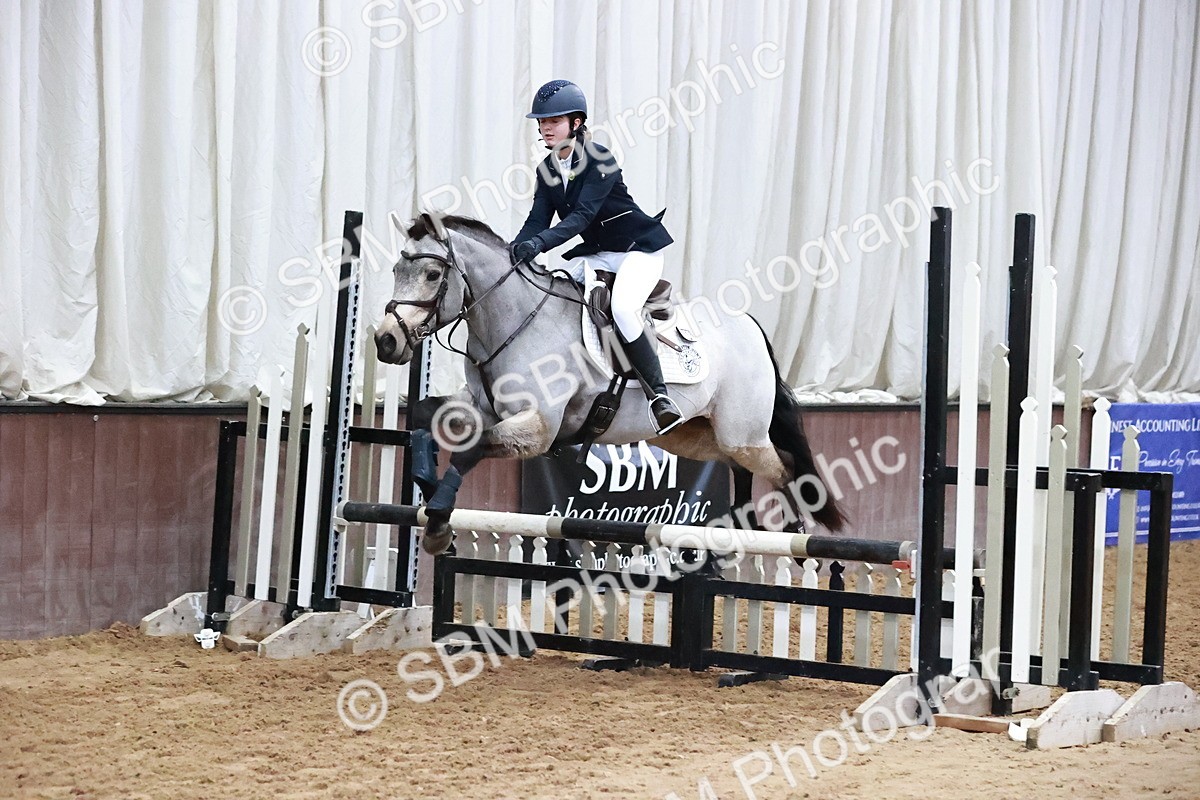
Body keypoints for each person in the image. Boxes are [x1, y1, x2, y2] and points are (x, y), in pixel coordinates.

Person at [510, 79, 683, 435]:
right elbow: (537, 221)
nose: (545, 128)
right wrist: (512, 252)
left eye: (554, 121)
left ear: (576, 124)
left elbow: (579, 219)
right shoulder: (547, 169)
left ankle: (659, 397)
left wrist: (538, 244)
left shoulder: (599, 158)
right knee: (559, 295)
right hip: (600, 254)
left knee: (621, 308)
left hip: (637, 251)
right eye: (542, 122)